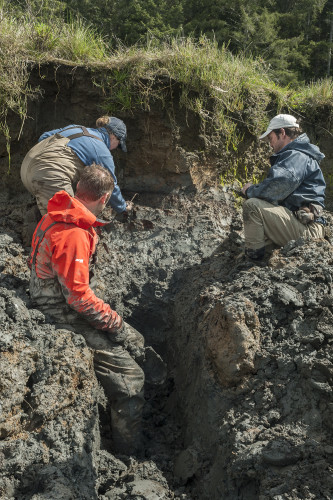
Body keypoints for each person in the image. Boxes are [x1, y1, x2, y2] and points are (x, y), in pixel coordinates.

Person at [28, 163, 145, 455]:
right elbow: (78, 299)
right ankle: (130, 453)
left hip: (51, 295)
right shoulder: (74, 233)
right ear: (104, 199)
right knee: (131, 377)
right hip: (56, 310)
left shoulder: (58, 212)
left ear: (78, 188)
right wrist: (119, 326)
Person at [21, 116, 134, 244]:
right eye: (118, 145)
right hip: (49, 176)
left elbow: (44, 137)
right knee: (69, 226)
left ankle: (37, 219)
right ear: (113, 136)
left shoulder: (75, 128)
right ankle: (43, 249)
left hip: (27, 168)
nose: (114, 149)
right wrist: (122, 207)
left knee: (60, 205)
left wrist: (42, 166)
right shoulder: (102, 151)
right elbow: (111, 186)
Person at [241, 114, 326, 260]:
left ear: (282, 133)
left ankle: (253, 263)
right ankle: (262, 255)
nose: (270, 144)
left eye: (270, 138)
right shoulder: (299, 154)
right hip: (302, 224)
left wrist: (249, 190)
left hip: (308, 230)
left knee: (252, 206)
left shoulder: (296, 155)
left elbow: (277, 185)